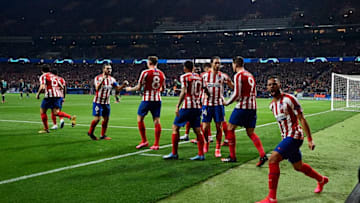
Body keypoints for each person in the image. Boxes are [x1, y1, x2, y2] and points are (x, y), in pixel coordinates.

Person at [256, 76, 329, 203]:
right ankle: (321, 180)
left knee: (273, 159)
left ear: (279, 85)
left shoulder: (290, 99)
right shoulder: (272, 105)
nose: (271, 86)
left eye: (274, 84)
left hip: (295, 136)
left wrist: (310, 139)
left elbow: (302, 118)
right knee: (298, 166)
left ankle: (271, 198)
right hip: (287, 137)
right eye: (269, 85)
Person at [221, 56, 267, 167]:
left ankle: (232, 156)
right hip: (252, 107)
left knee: (230, 128)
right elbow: (254, 92)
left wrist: (227, 102)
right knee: (250, 133)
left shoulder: (238, 75)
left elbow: (237, 93)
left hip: (243, 107)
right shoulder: (250, 75)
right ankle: (262, 154)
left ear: (235, 64)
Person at [163, 61, 206, 160]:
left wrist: (177, 105)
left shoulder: (184, 77)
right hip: (197, 107)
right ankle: (201, 154)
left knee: (175, 128)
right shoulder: (200, 78)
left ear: (185, 68)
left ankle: (174, 153)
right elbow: (206, 90)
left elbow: (184, 91)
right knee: (197, 130)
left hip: (187, 106)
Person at [126, 56, 166, 150]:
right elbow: (163, 88)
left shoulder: (145, 72)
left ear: (149, 62)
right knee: (156, 120)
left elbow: (139, 87)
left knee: (140, 118)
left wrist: (130, 89)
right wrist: (156, 91)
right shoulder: (161, 73)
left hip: (147, 99)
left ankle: (144, 141)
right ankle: (156, 144)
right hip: (157, 99)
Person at [201, 57, 233, 157]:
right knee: (205, 127)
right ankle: (206, 143)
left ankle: (217, 148)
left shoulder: (223, 76)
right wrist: (203, 94)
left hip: (218, 105)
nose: (218, 65)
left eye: (219, 63)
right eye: (216, 63)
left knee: (218, 127)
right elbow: (199, 87)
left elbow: (233, 86)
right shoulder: (204, 76)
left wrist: (227, 96)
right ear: (211, 64)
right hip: (207, 104)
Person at [87, 64, 128, 140]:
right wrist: (103, 79)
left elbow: (118, 89)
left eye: (110, 69)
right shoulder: (98, 78)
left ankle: (103, 135)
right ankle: (90, 132)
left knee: (106, 119)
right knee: (97, 119)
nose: (109, 70)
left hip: (106, 103)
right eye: (107, 69)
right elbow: (97, 88)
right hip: (98, 102)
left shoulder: (112, 79)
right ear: (103, 69)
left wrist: (123, 85)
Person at [36, 66, 76, 133]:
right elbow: (61, 86)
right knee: (55, 112)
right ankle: (71, 117)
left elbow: (42, 87)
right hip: (57, 96)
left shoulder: (43, 76)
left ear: (42, 70)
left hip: (49, 96)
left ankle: (46, 129)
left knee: (43, 112)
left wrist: (38, 94)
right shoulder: (55, 77)